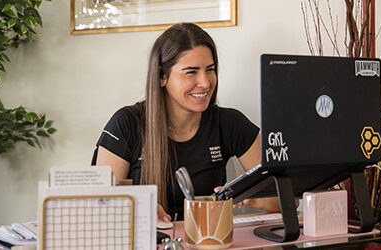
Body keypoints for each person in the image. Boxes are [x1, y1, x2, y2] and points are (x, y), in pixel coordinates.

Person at [95, 22, 279, 222]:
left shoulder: (229, 123)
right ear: (162, 76)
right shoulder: (126, 124)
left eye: (210, 69)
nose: (205, 82)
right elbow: (99, 204)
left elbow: (287, 198)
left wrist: (249, 194)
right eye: (191, 72)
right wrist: (137, 205)